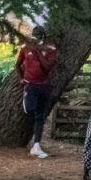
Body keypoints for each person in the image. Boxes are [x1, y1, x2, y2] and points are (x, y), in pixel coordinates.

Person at [16, 25, 58, 160]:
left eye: (39, 36)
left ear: (43, 37)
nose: (36, 39)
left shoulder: (50, 49)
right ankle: (26, 100)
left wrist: (38, 52)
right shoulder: (25, 48)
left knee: (40, 116)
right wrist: (21, 78)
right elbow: (17, 64)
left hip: (44, 86)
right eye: (34, 36)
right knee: (29, 109)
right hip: (30, 85)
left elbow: (47, 67)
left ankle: (37, 145)